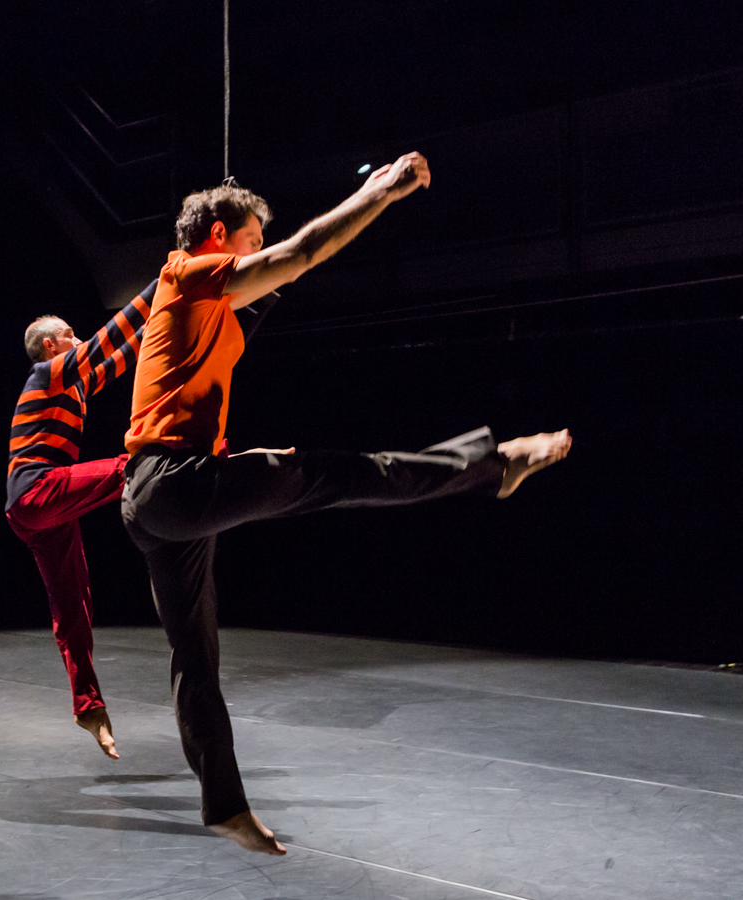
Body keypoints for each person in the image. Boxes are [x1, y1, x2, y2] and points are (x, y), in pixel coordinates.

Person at [119, 155, 573, 856]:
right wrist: (377, 193)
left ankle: (223, 806)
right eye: (247, 238)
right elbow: (300, 254)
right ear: (215, 234)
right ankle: (495, 464)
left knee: (195, 658)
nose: (254, 251)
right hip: (175, 480)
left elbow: (281, 276)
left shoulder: (200, 304)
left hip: (153, 499)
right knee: (336, 473)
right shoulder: (185, 273)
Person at [5, 283, 159, 758]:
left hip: (40, 516)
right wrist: (165, 281)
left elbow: (126, 352)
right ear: (52, 345)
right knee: (129, 466)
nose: (79, 340)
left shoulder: (75, 383)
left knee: (74, 608)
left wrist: (170, 317)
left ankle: (88, 708)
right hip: (35, 492)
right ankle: (202, 472)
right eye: (71, 336)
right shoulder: (47, 373)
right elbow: (108, 340)